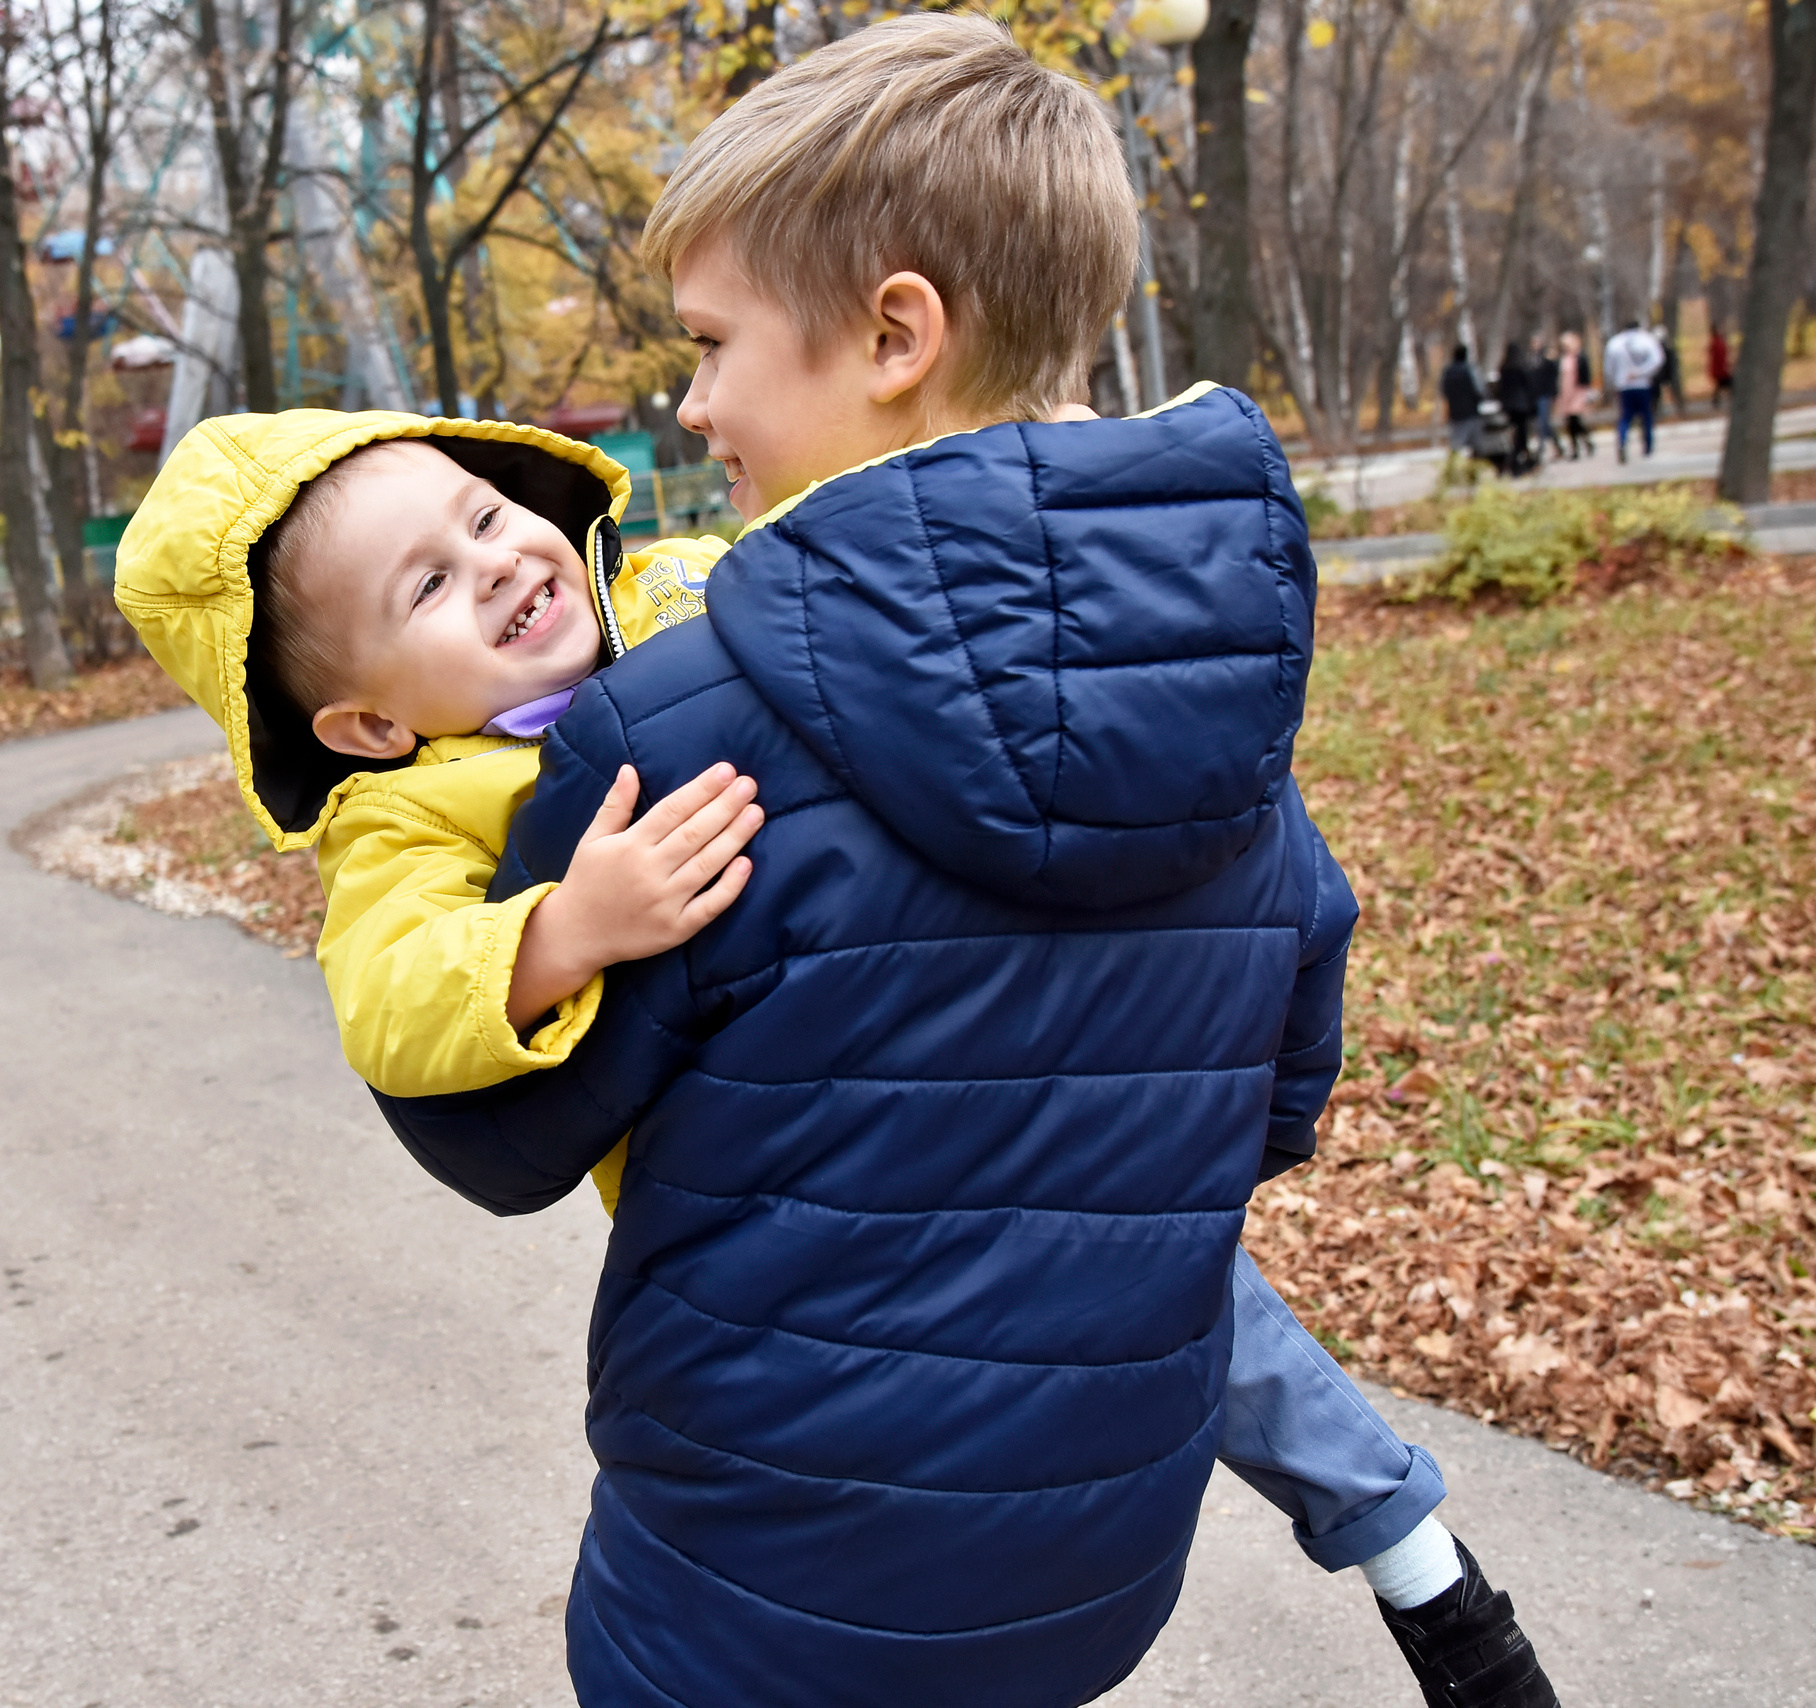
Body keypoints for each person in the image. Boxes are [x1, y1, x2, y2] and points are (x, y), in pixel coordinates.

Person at [122, 18, 1560, 1708]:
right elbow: (1279, 1080)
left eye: (718, 342)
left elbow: (505, 1140)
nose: (692, 398)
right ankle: (1410, 1546)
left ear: (893, 334)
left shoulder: (669, 739)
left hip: (759, 1586)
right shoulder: (1220, 688)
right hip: (1095, 1557)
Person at [1605, 317, 1664, 461]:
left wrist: (1615, 382)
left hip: (1624, 386)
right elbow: (1657, 360)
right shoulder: (1647, 340)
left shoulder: (1615, 343)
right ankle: (1648, 445)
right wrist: (1642, 372)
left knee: (1625, 417)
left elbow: (1608, 368)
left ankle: (1623, 440)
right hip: (1643, 385)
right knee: (1647, 416)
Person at [1496, 341, 1538, 474]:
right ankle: (1516, 461)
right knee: (1522, 434)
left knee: (1516, 435)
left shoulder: (1504, 368)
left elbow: (1500, 389)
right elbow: (1530, 386)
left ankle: (1523, 460)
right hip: (1522, 406)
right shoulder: (1522, 367)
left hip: (1509, 407)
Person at [1441, 342, 1485, 461]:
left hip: (1456, 413)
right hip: (1471, 412)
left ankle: (1455, 468)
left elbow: (1444, 391)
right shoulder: (1470, 370)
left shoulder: (1447, 372)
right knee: (1477, 446)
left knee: (1456, 445)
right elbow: (1480, 390)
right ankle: (1474, 469)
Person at [1556, 329, 1596, 459]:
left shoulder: (1580, 358)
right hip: (1565, 393)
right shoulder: (1563, 359)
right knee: (1570, 422)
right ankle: (1579, 446)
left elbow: (1586, 376)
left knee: (1575, 420)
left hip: (1578, 392)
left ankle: (1582, 444)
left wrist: (1586, 391)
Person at [1532, 335, 1565, 460]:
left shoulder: (1547, 358)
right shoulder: (1533, 358)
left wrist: (1553, 393)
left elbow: (1553, 375)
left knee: (1543, 422)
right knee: (1544, 424)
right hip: (1537, 394)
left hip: (1545, 394)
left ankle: (1541, 449)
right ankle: (1558, 446)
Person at [1655, 321, 1685, 417]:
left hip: (1664, 374)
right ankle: (1678, 410)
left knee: (1665, 394)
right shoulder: (1666, 350)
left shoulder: (1663, 351)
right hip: (1665, 375)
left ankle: (1679, 410)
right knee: (1659, 396)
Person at [1709, 321, 1734, 409]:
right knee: (1730, 385)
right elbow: (1720, 357)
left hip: (1719, 369)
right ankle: (1732, 401)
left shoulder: (1716, 342)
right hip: (1721, 370)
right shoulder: (1717, 343)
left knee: (1720, 386)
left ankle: (1716, 401)